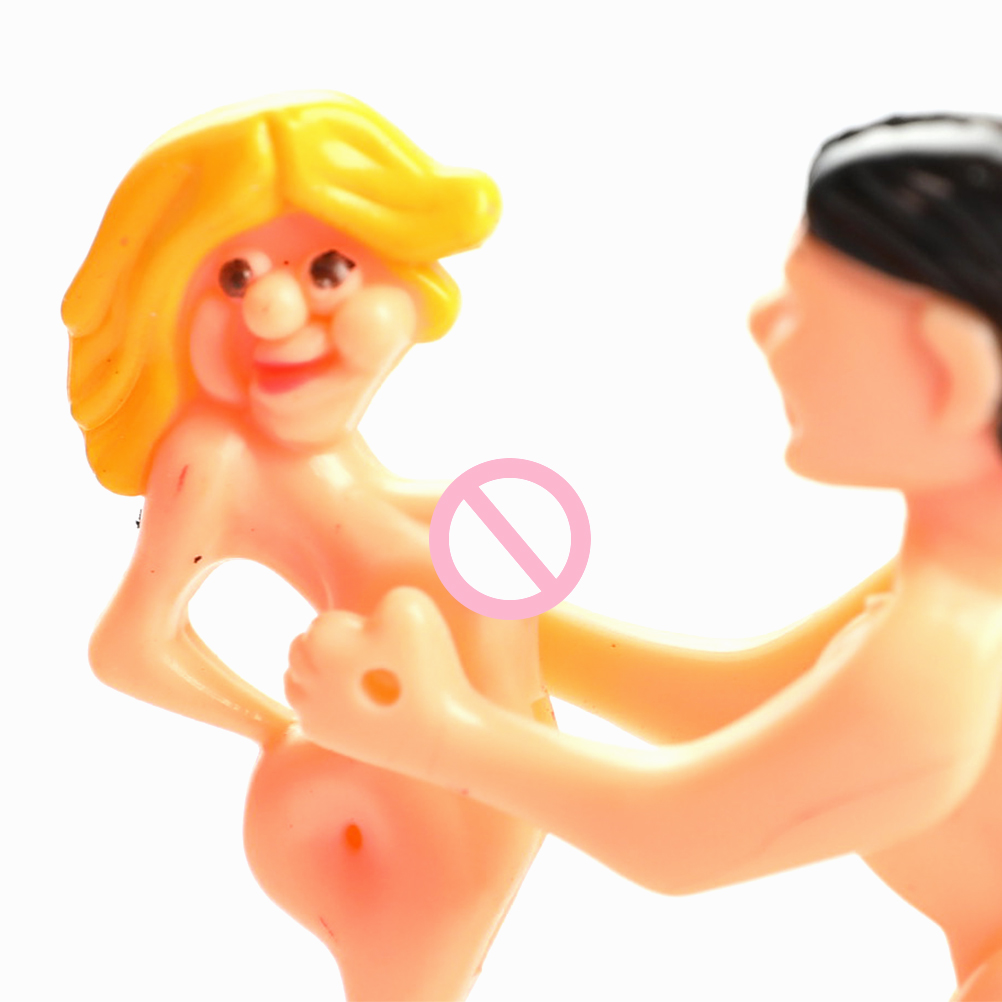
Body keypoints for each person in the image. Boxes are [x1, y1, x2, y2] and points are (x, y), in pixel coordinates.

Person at [285, 114, 1002, 1001]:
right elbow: (752, 709)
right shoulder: (959, 583)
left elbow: (683, 833)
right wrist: (501, 616)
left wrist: (434, 732)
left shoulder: (944, 657)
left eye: (806, 308)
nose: (762, 324)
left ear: (952, 374)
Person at [64, 93, 551, 1002]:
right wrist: (281, 729)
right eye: (234, 278)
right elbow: (128, 645)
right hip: (379, 783)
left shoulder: (351, 469)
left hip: (477, 771)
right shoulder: (214, 457)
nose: (278, 311)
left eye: (331, 269)